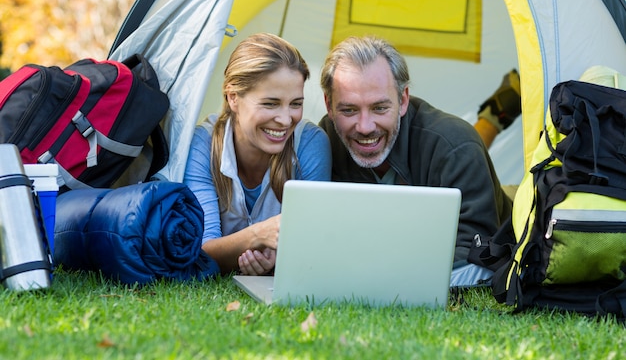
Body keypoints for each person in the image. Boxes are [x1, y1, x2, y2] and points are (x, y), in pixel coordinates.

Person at [317, 35, 512, 287]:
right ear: (329, 106)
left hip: (512, 203)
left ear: (403, 100)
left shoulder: (456, 145)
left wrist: (379, 274)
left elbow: (475, 250)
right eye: (349, 110)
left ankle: (497, 112)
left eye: (379, 108)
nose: (365, 127)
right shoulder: (323, 141)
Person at [184, 33, 332, 276]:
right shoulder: (204, 143)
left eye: (295, 103)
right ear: (233, 97)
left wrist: (277, 257)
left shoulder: (310, 144)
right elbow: (200, 252)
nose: (286, 120)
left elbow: (313, 247)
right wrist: (258, 236)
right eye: (270, 104)